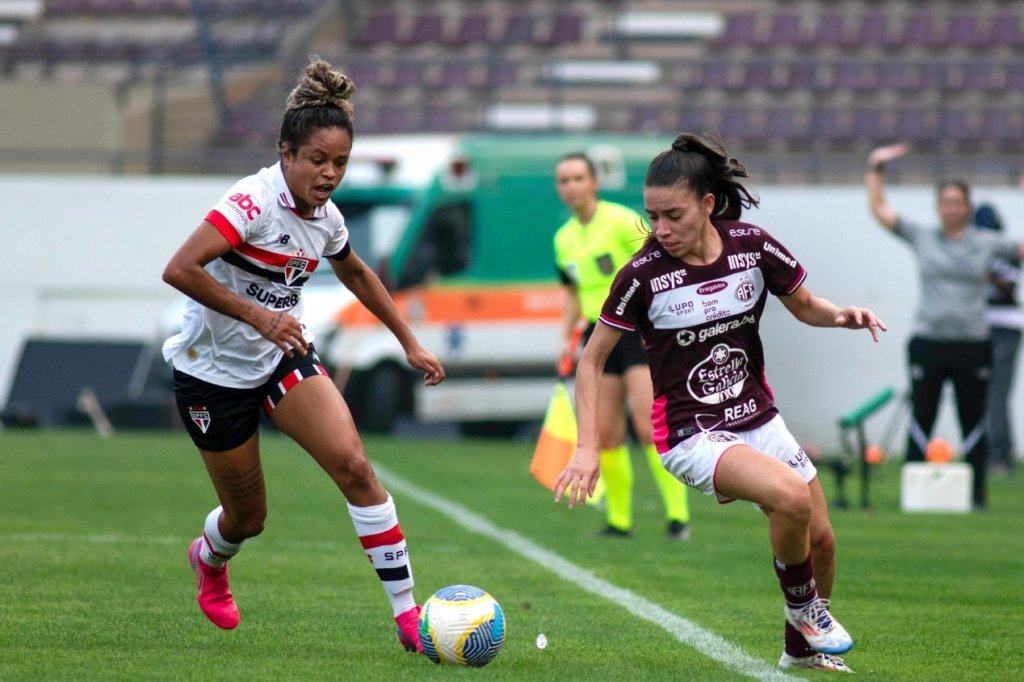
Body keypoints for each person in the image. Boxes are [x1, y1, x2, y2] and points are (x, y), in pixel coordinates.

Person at [555, 132, 885, 672]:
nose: (661, 229)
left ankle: (800, 650)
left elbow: (805, 305)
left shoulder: (751, 246)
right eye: (652, 216)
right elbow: (591, 362)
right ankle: (806, 610)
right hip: (691, 433)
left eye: (673, 215)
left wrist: (841, 316)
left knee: (821, 541)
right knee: (790, 498)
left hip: (758, 416)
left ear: (708, 204)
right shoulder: (641, 276)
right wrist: (586, 448)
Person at [161, 57, 445, 651]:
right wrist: (259, 315)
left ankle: (407, 615)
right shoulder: (251, 202)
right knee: (248, 519)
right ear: (285, 152)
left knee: (356, 467)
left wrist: (409, 343)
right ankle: (209, 557)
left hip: (281, 359)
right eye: (318, 160)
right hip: (212, 376)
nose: (330, 173)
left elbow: (357, 273)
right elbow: (180, 269)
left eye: (340, 162)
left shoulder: (327, 217)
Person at [865, 143, 1024, 508]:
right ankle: (913, 493)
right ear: (938, 207)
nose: (952, 208)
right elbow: (880, 210)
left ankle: (977, 495)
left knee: (973, 419)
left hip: (972, 344)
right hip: (929, 342)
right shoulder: (923, 236)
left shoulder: (986, 242)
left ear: (967, 207)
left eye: (957, 202)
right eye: (946, 202)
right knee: (923, 415)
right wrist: (875, 168)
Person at [553, 152, 693, 540]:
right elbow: (572, 292)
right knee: (607, 431)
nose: (571, 186)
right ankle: (619, 521)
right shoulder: (563, 238)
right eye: (564, 180)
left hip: (638, 331)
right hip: (597, 335)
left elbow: (659, 263)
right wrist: (565, 338)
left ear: (594, 182)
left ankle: (678, 517)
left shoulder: (619, 221)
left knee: (648, 425)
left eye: (578, 178)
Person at [974, 202, 1021, 475]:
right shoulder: (973, 249)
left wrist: (984, 272)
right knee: (978, 393)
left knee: (998, 394)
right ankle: (983, 451)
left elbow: (1009, 288)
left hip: (1005, 328)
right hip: (978, 328)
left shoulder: (1007, 251)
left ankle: (1001, 454)